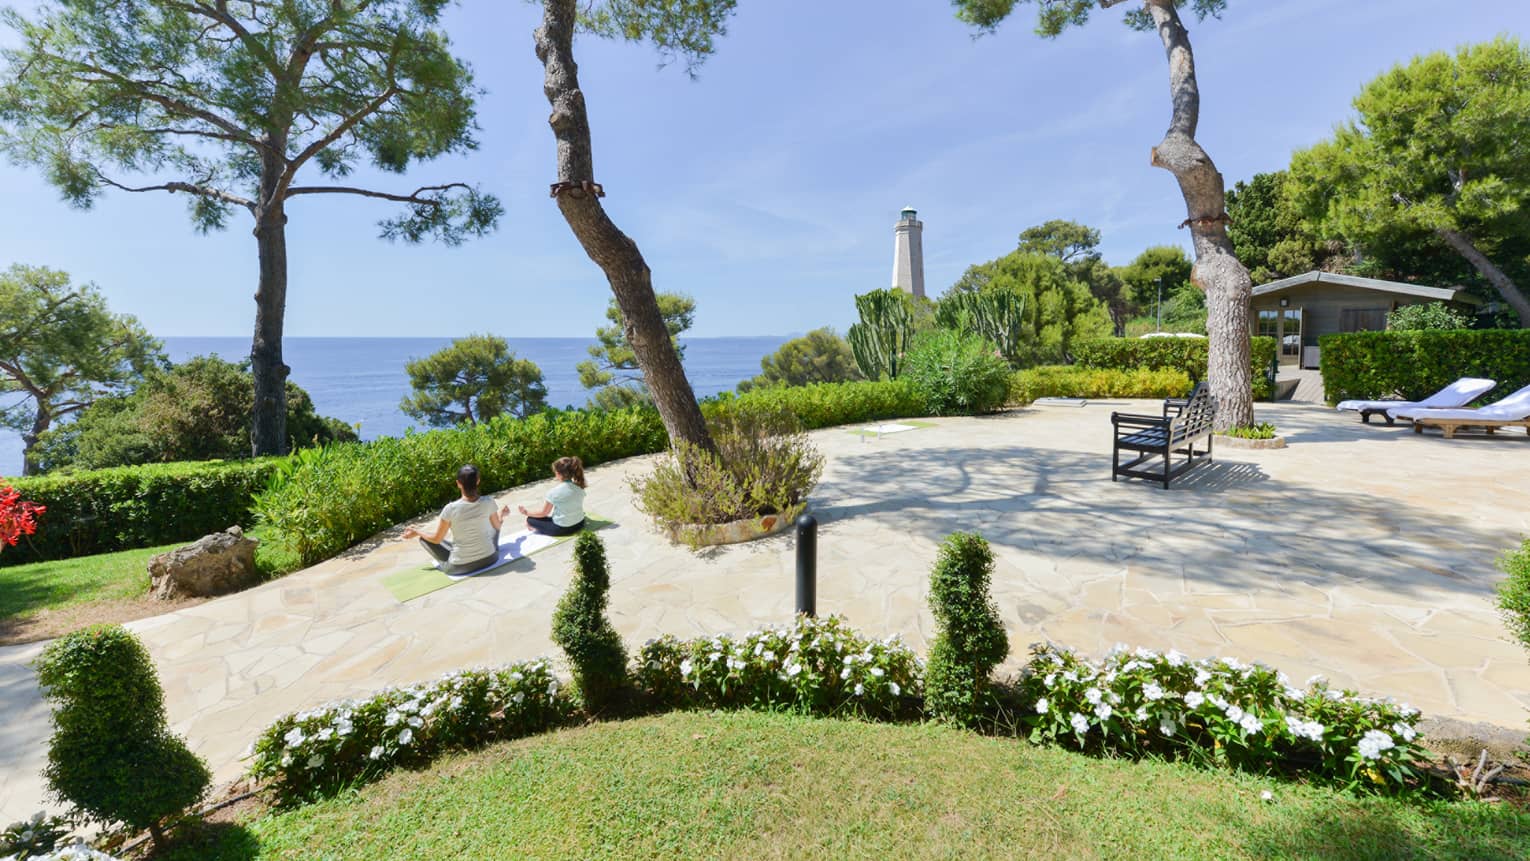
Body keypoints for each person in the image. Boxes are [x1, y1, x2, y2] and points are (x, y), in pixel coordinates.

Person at [402, 464, 503, 574]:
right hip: (490, 559)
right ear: (478, 481)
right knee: (492, 531)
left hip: (460, 567)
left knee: (424, 538)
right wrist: (501, 516)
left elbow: (436, 539)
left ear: (458, 483)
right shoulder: (489, 501)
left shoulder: (450, 509)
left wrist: (417, 531)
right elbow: (497, 527)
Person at [516, 455, 587, 537]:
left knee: (530, 519)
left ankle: (531, 524)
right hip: (580, 524)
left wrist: (526, 512)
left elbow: (543, 513)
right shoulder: (579, 486)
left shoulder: (554, 492)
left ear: (558, 474)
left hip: (563, 529)